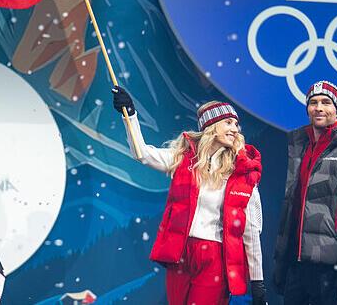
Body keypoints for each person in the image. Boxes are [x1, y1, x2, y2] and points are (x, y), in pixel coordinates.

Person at [112, 86, 266, 305]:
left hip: (215, 257)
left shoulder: (242, 172)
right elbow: (142, 154)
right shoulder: (185, 160)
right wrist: (130, 116)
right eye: (229, 122)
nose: (235, 129)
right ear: (211, 126)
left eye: (237, 125)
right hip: (181, 253)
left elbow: (250, 230)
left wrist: (258, 281)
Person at [273, 80, 337, 304]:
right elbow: (292, 207)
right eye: (313, 102)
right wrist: (282, 260)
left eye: (325, 102)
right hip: (297, 263)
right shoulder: (299, 145)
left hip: (332, 267)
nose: (318, 107)